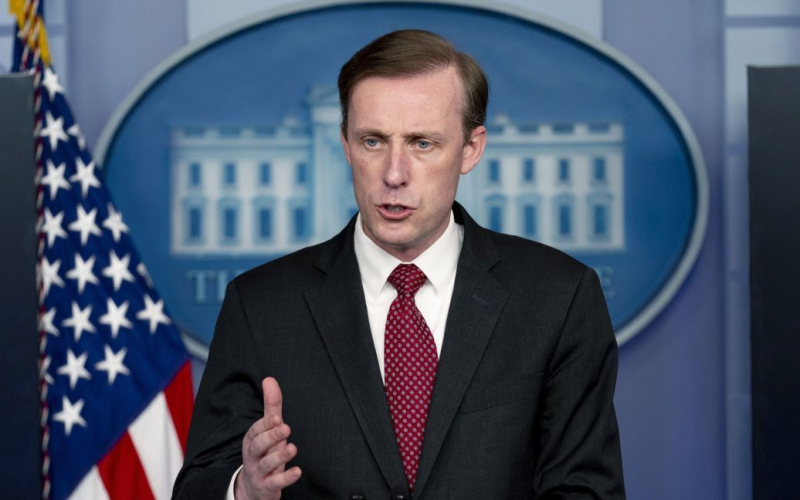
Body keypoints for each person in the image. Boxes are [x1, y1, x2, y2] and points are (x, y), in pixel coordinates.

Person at [173, 29, 625, 499]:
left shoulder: (559, 298)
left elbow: (586, 490)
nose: (394, 174)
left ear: (471, 148)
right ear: (345, 145)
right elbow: (197, 487)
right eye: (373, 141)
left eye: (422, 143)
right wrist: (245, 490)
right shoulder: (260, 305)